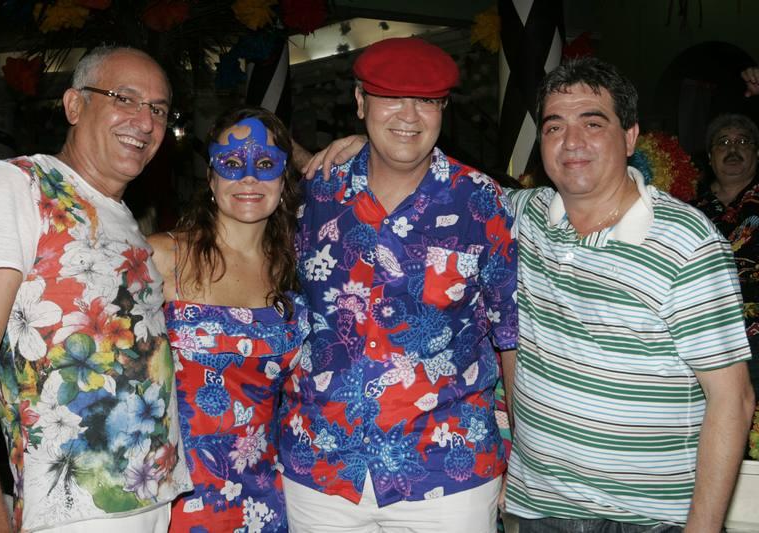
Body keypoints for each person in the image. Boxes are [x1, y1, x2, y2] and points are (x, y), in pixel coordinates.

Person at [311, 56, 756, 533]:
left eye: (593, 124)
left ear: (630, 137)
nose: (572, 142)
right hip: (540, 509)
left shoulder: (686, 242)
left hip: (648, 518)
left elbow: (733, 400)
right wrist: (373, 147)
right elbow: (432, 191)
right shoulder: (516, 216)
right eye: (554, 126)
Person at [280, 37, 518, 533]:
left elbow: (511, 335)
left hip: (447, 470)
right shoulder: (315, 193)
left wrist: (522, 454)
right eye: (390, 97)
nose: (409, 115)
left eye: (427, 100)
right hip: (321, 466)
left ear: (444, 109)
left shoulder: (481, 201)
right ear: (360, 101)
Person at [0, 46, 192, 532]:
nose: (145, 121)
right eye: (125, 98)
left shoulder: (127, 222)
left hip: (152, 501)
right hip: (68, 512)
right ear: (73, 105)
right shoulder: (20, 185)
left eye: (158, 109)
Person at [148, 108, 309, 532]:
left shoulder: (297, 269)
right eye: (232, 164)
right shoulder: (163, 258)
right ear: (211, 177)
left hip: (263, 497)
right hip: (175, 496)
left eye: (266, 164)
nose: (249, 178)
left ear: (284, 178)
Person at [693, 113, 759, 399]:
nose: (733, 149)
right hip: (703, 336)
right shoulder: (688, 212)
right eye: (723, 142)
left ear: (757, 153)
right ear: (710, 157)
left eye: (743, 142)